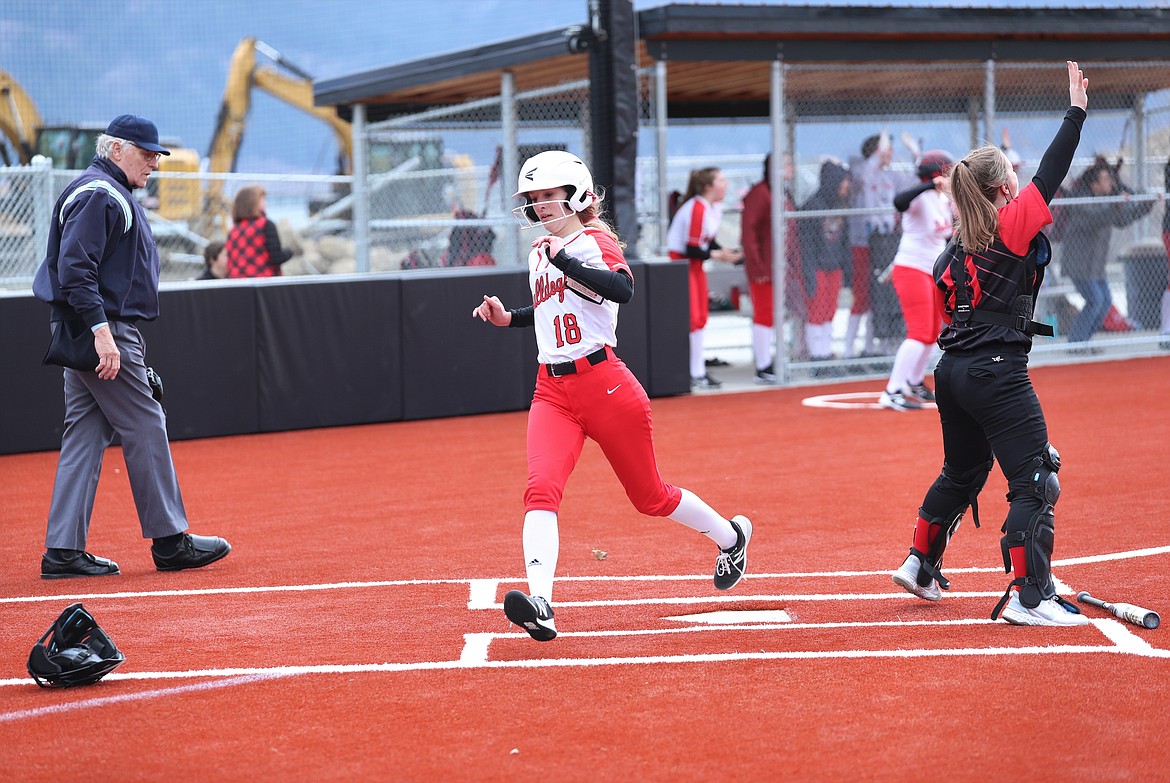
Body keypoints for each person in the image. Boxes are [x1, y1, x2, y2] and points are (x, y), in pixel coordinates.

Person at [472, 150, 753, 642]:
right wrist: (507, 318)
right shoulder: (543, 250)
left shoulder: (591, 240)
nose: (539, 207)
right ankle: (541, 602)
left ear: (576, 195)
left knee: (651, 497)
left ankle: (731, 537)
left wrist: (565, 260)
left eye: (548, 197)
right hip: (551, 388)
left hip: (605, 385)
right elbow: (549, 310)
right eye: (533, 199)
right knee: (541, 489)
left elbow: (622, 289)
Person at [890, 61, 1091, 626]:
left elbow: (973, 316)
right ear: (1004, 188)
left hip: (952, 372)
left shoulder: (950, 249)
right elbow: (1052, 172)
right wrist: (1075, 113)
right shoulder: (1011, 224)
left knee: (962, 472)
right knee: (1035, 475)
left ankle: (920, 562)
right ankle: (1032, 596)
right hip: (995, 372)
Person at [31, 114, 232, 578]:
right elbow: (76, 269)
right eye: (146, 153)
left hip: (87, 329)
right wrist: (104, 335)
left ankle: (62, 551)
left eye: (157, 155)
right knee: (146, 420)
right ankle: (170, 541)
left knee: (85, 432)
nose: (155, 163)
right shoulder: (101, 193)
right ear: (116, 149)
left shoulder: (103, 191)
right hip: (103, 329)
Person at [879, 150, 955, 411]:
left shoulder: (942, 199)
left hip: (933, 270)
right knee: (920, 331)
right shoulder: (921, 195)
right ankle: (892, 391)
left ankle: (913, 382)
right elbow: (898, 202)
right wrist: (928, 185)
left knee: (934, 332)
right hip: (911, 268)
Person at [1059, 156, 1154, 345]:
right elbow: (1097, 218)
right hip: (1080, 266)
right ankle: (1076, 342)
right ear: (1094, 184)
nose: (1110, 183)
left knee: (1104, 302)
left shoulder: (1106, 201)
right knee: (1095, 300)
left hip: (1096, 266)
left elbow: (1122, 219)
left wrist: (1146, 203)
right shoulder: (1082, 201)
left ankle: (1084, 341)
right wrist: (1115, 205)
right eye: (1105, 179)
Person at [666, 167, 744, 389]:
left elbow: (706, 241)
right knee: (693, 319)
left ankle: (697, 369)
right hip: (682, 264)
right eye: (721, 180)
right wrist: (719, 255)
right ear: (709, 186)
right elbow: (692, 248)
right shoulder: (698, 206)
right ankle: (694, 372)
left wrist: (727, 253)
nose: (726, 183)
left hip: (695, 264)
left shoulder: (712, 207)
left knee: (700, 319)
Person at [845, 131, 911, 358]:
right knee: (862, 296)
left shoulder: (889, 176)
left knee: (880, 296)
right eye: (886, 151)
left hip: (887, 243)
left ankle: (871, 347)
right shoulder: (860, 171)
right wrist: (878, 153)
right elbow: (865, 174)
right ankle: (847, 351)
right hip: (863, 244)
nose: (890, 155)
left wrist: (915, 154)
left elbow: (912, 182)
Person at [740, 152, 804, 382]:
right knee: (764, 313)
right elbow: (749, 233)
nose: (791, 168)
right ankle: (763, 365)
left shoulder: (780, 193)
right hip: (766, 267)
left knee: (774, 314)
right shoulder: (760, 193)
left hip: (780, 266)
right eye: (786, 164)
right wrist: (757, 267)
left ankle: (770, 361)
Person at [799, 158, 852, 361]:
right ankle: (816, 356)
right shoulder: (813, 206)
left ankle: (826, 352)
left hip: (834, 266)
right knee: (816, 312)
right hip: (817, 267)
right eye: (842, 181)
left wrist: (846, 267)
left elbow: (844, 241)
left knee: (830, 312)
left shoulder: (840, 205)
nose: (845, 186)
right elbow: (807, 247)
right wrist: (809, 273)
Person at [225, 184, 293, 278]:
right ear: (253, 203)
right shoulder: (265, 225)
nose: (266, 204)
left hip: (237, 283)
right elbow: (277, 257)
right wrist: (290, 251)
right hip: (263, 282)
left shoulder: (234, 230)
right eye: (263, 200)